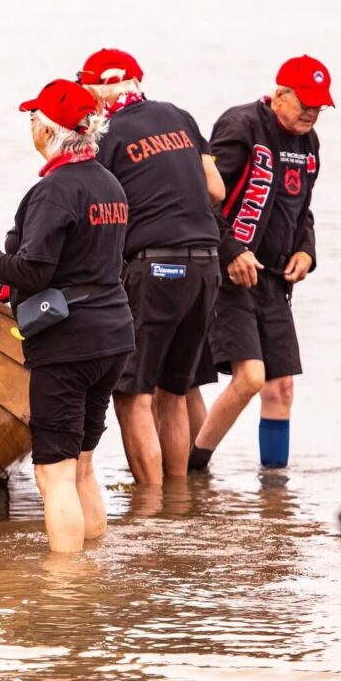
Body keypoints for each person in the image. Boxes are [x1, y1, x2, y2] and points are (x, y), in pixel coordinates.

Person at [0, 79, 134, 553]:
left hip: (68, 342)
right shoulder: (108, 183)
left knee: (52, 471)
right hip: (113, 334)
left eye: (35, 118)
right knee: (82, 464)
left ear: (50, 131)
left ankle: (63, 590)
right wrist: (5, 287)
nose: (32, 126)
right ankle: (93, 568)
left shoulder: (56, 190)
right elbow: (81, 263)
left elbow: (35, 272)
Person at [77, 48, 225, 483]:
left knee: (133, 394)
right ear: (136, 82)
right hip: (206, 262)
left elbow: (96, 205)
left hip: (156, 265)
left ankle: (148, 506)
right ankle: (176, 502)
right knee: (173, 393)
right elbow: (215, 189)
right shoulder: (179, 115)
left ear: (97, 91)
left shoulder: (105, 136)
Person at [190, 55, 332, 470]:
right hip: (229, 275)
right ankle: (194, 470)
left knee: (281, 388)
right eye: (305, 102)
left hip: (273, 280)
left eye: (319, 106)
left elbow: (302, 210)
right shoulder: (241, 127)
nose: (311, 112)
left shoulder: (309, 143)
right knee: (251, 377)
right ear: (279, 94)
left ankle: (275, 494)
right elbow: (204, 200)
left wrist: (307, 251)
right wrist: (231, 250)